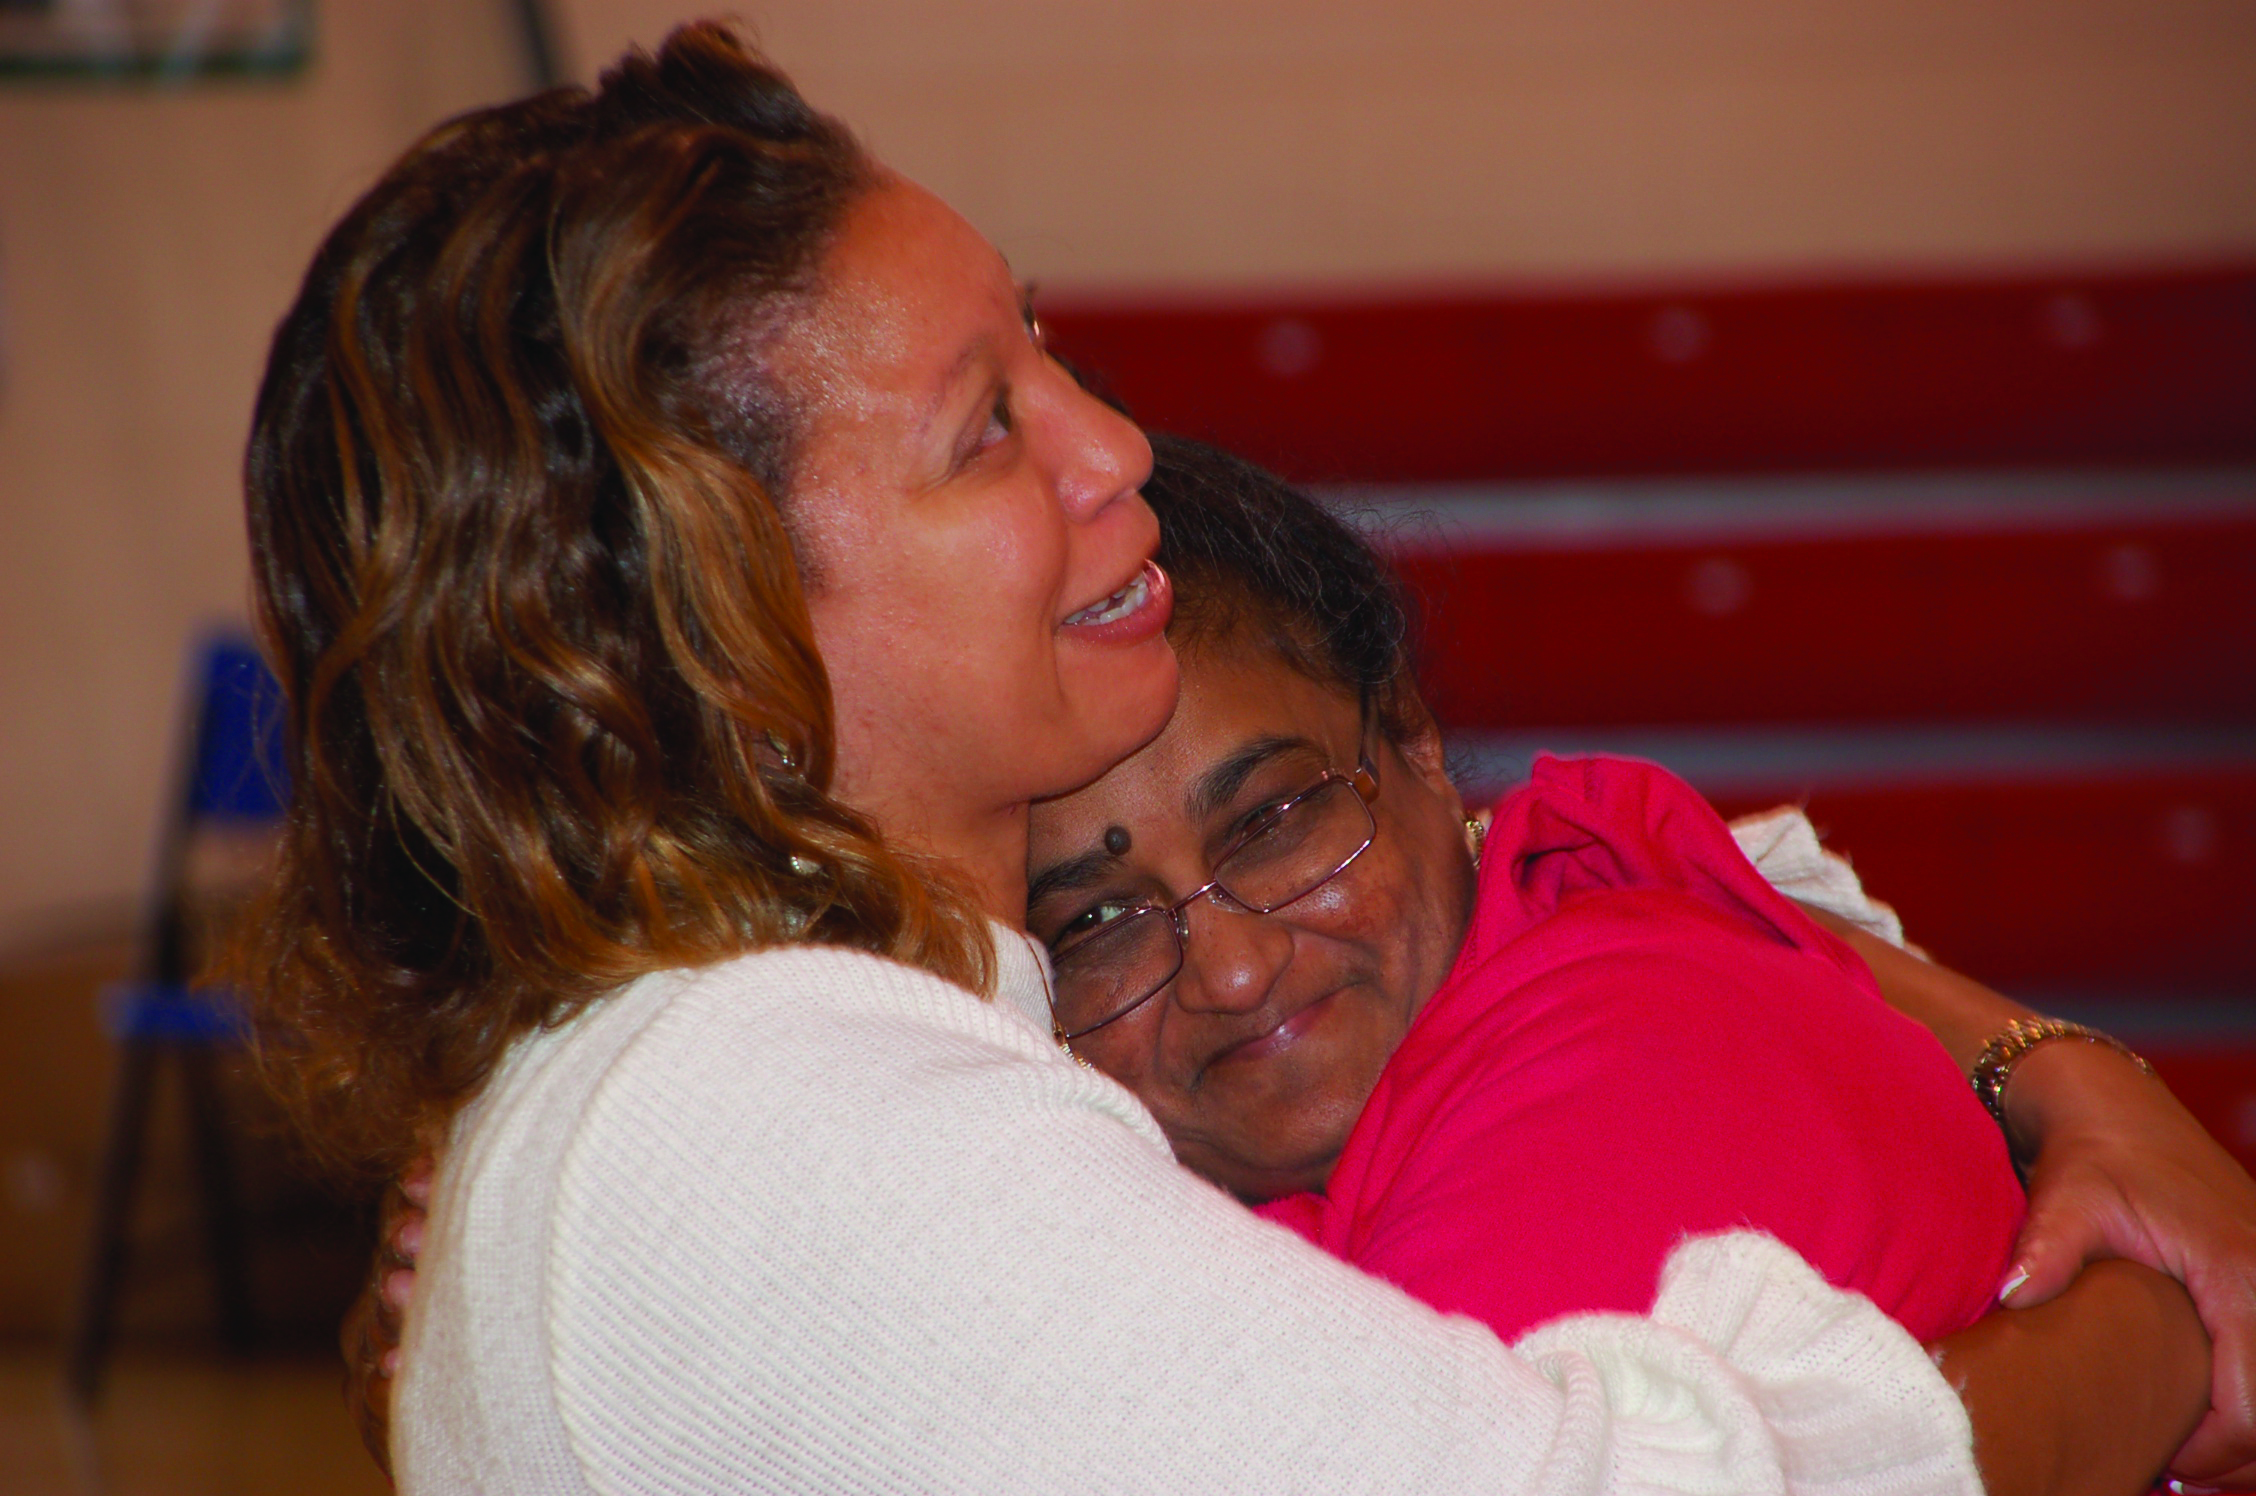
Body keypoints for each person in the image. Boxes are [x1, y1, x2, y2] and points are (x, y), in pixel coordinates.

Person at [244, 22, 2231, 1495]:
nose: (1113, 445)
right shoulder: (784, 1112)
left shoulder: (759, 1057)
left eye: (1047, 352)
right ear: (716, 617)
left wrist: (2069, 1080)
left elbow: (1587, 864)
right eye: (985, 427)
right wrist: (2155, 1332)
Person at [1020, 437, 2041, 1353]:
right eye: (1097, 923)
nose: (1233, 973)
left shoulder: (1616, 1053)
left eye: (1272, 822)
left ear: (1412, 739)